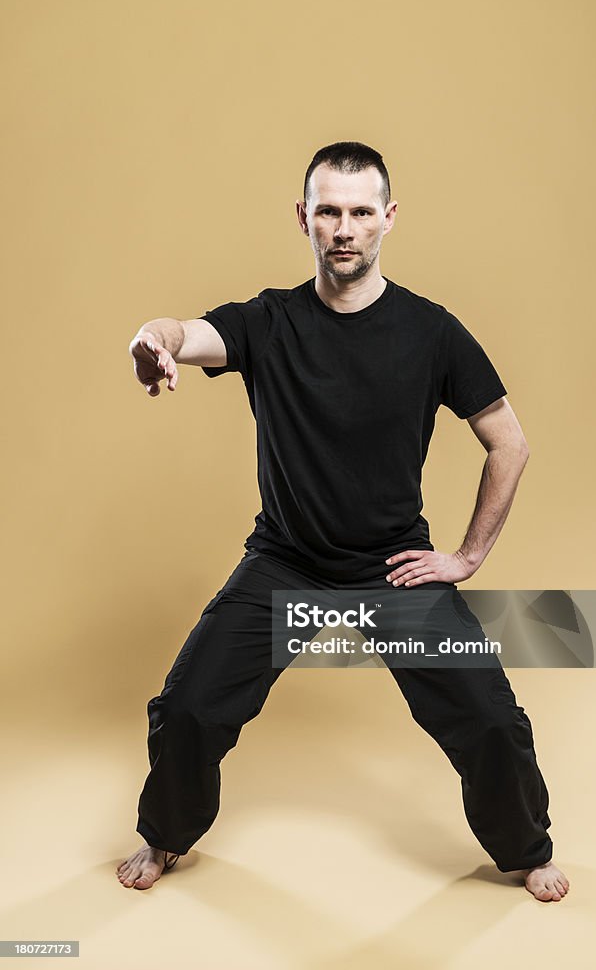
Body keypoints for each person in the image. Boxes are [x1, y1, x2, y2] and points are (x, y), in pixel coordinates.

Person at [118, 141, 569, 902]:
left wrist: (465, 557)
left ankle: (525, 849)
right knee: (188, 708)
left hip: (391, 569)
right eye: (328, 211)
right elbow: (185, 332)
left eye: (361, 212)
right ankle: (164, 836)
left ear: (388, 219)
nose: (344, 228)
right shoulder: (268, 321)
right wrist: (151, 340)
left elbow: (509, 443)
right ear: (304, 219)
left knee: (492, 721)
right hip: (285, 562)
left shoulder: (432, 332)